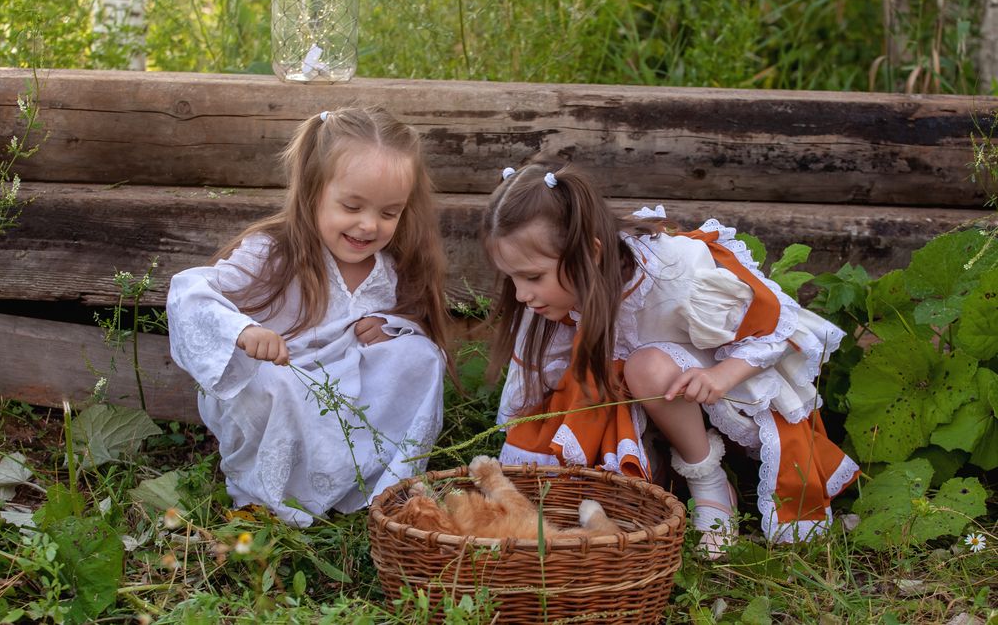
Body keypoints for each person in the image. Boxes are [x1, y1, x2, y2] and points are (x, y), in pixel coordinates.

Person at [483, 161, 860, 557]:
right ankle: (650, 486)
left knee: (645, 366)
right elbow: (539, 386)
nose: (521, 293)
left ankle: (712, 486)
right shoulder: (549, 302)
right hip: (655, 408)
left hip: (720, 390)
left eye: (531, 277)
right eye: (512, 278)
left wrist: (723, 375)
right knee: (598, 380)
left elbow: (775, 321)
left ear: (589, 254)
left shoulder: (672, 274)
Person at [167, 106, 451, 526]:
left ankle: (382, 484)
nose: (369, 225)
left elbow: (410, 325)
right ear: (312, 192)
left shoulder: (387, 270)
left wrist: (393, 328)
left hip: (345, 402)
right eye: (352, 206)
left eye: (389, 212)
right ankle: (266, 497)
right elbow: (190, 292)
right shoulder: (274, 254)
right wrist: (243, 330)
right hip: (284, 390)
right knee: (269, 380)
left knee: (422, 357)